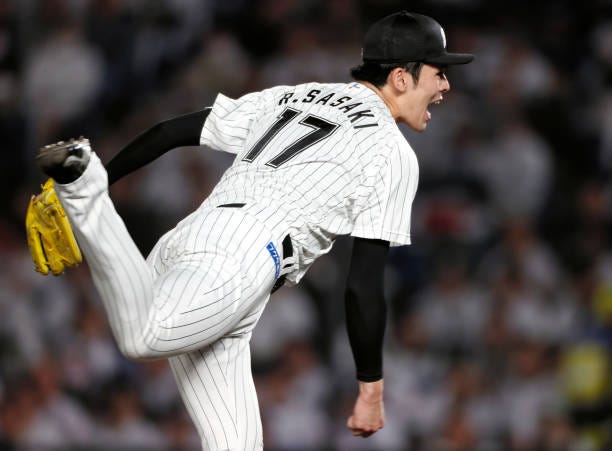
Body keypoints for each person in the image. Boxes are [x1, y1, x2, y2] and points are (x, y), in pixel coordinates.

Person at [36, 11, 473, 450]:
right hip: (242, 258)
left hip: (205, 243)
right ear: (401, 77)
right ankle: (83, 191)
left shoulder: (299, 95)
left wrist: (114, 173)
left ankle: (88, 186)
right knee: (143, 336)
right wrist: (371, 388)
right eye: (438, 73)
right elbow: (362, 284)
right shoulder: (391, 151)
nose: (445, 86)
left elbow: (169, 131)